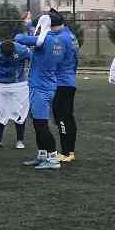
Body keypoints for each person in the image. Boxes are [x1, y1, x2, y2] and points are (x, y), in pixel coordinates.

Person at [14, 13, 71, 171]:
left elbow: (19, 38)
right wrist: (34, 29)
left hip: (40, 88)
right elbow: (37, 40)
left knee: (41, 125)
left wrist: (28, 30)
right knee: (38, 123)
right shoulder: (58, 40)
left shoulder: (44, 40)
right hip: (48, 84)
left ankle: (52, 158)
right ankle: (42, 155)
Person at [0, 36, 29, 149]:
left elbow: (33, 57)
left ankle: (20, 141)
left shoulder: (22, 50)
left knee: (18, 110)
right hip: (0, 83)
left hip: (17, 84)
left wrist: (31, 72)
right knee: (0, 110)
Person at [49, 12, 80, 162]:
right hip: (69, 80)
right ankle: (70, 151)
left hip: (61, 83)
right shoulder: (69, 34)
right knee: (68, 117)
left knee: (61, 118)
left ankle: (66, 152)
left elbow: (55, 60)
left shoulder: (60, 38)